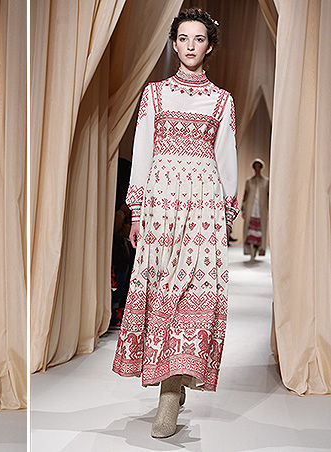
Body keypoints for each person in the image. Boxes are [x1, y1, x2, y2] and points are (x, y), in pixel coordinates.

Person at [112, 8, 238, 438]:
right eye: (183, 38)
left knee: (195, 293)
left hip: (203, 205)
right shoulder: (154, 95)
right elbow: (143, 153)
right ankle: (171, 380)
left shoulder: (221, 100)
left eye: (198, 39)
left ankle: (170, 392)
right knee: (163, 290)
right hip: (162, 203)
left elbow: (226, 158)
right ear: (174, 42)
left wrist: (225, 216)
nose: (189, 46)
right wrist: (138, 211)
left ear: (210, 46)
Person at [241, 158, 269, 261]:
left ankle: (257, 250)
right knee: (250, 230)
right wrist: (243, 209)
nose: (257, 168)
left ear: (261, 168)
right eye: (255, 166)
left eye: (259, 166)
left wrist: (269, 211)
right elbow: (245, 195)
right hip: (250, 208)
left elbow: (269, 197)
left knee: (260, 230)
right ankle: (251, 252)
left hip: (261, 209)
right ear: (253, 168)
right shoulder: (249, 181)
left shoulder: (266, 182)